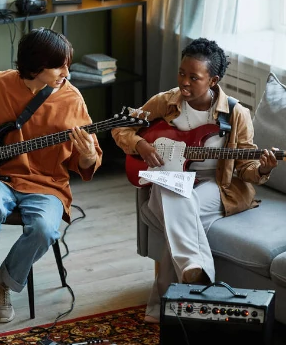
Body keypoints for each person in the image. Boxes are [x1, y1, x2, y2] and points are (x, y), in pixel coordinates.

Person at [111, 38, 278, 323]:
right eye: (181, 74)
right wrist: (140, 145)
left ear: (213, 80)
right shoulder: (166, 102)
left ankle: (161, 305)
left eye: (193, 78)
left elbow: (246, 166)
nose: (184, 83)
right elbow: (121, 127)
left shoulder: (236, 114)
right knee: (173, 191)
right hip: (169, 176)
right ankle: (193, 269)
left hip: (215, 183)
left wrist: (262, 169)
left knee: (181, 213)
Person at [0, 28, 103, 330]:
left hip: (48, 184)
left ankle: (2, 283)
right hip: (2, 177)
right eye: (59, 65)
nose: (66, 72)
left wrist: (86, 155)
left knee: (46, 229)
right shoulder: (0, 84)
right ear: (34, 67)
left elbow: (86, 162)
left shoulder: (73, 100)